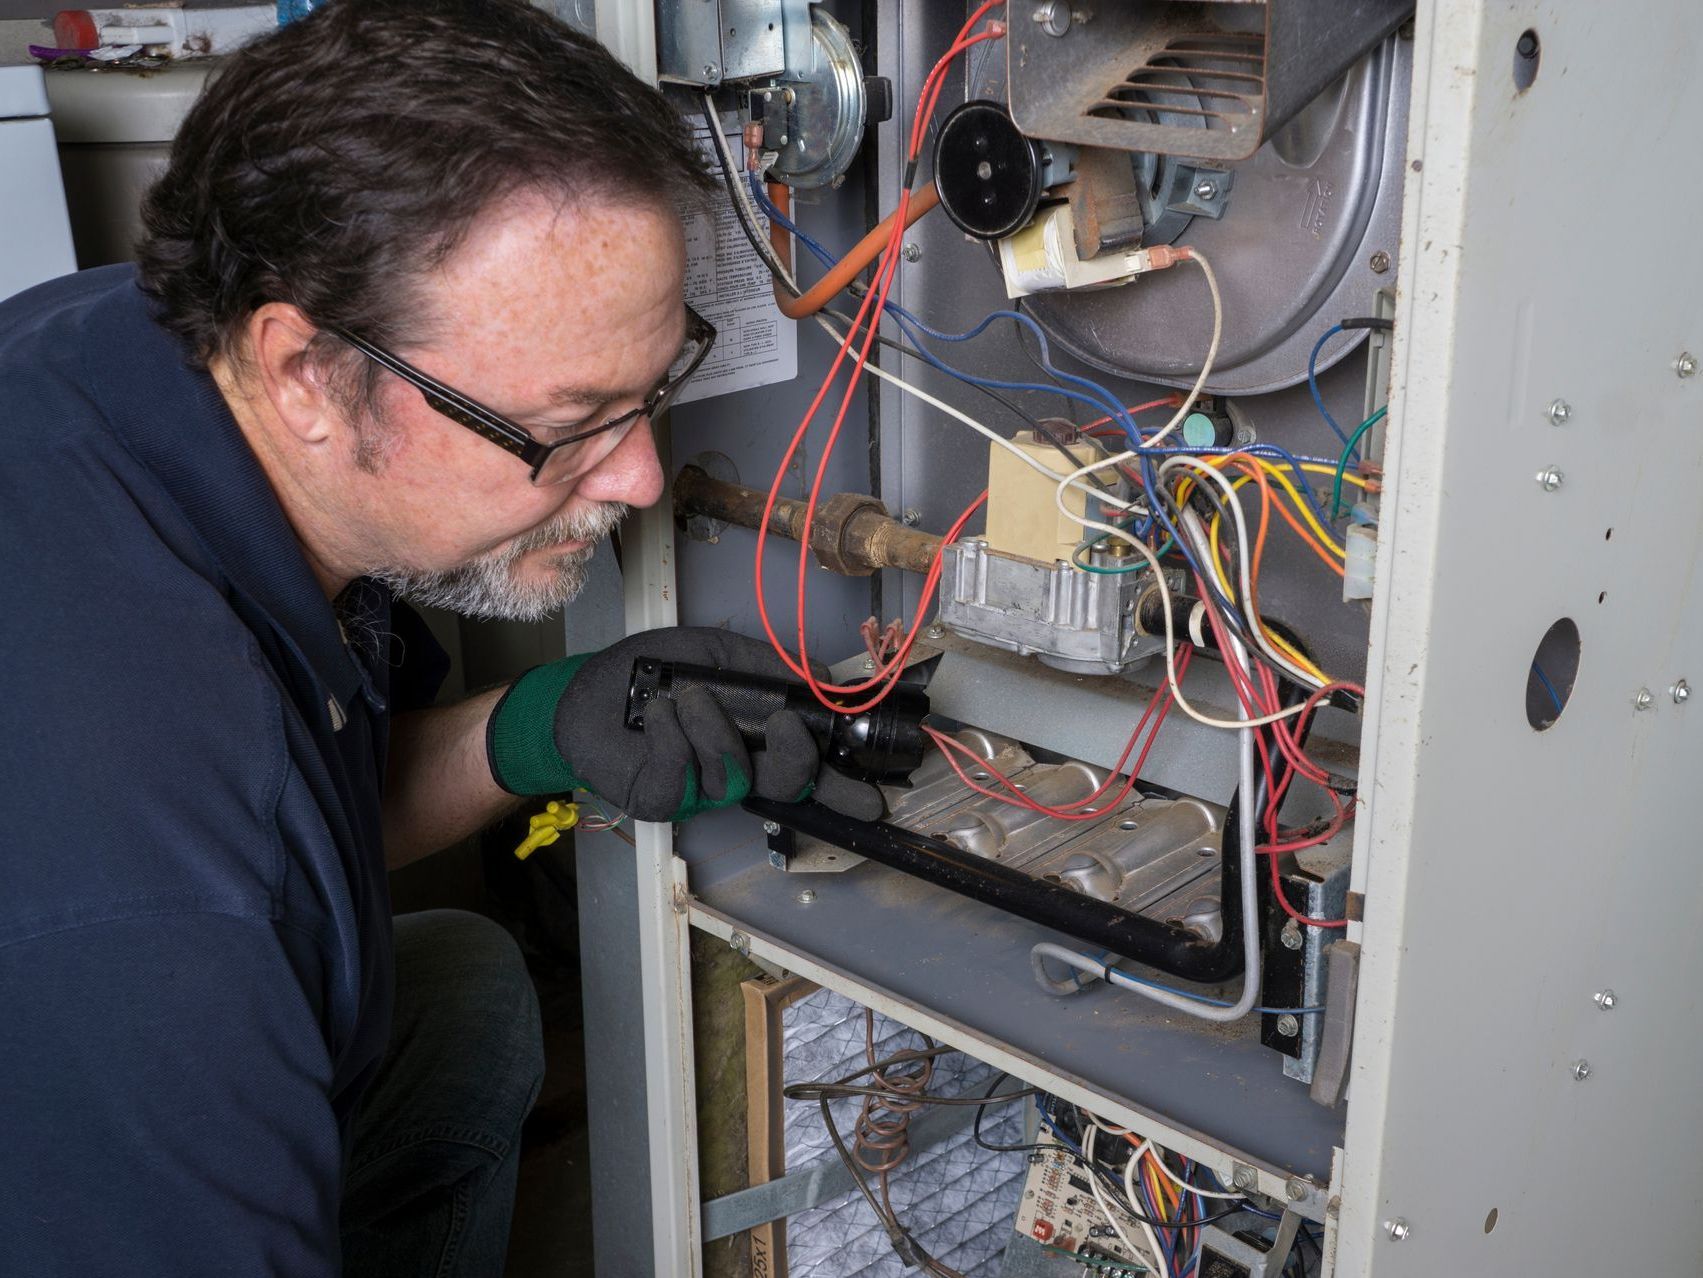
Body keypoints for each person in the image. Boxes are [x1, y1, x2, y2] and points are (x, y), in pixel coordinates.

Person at [0, 0, 877, 1272]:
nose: (636, 478)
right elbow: (234, 865)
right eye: (568, 422)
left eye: (653, 390)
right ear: (304, 372)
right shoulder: (165, 906)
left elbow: (312, 811)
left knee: (462, 994)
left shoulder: (129, 343)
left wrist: (539, 726)